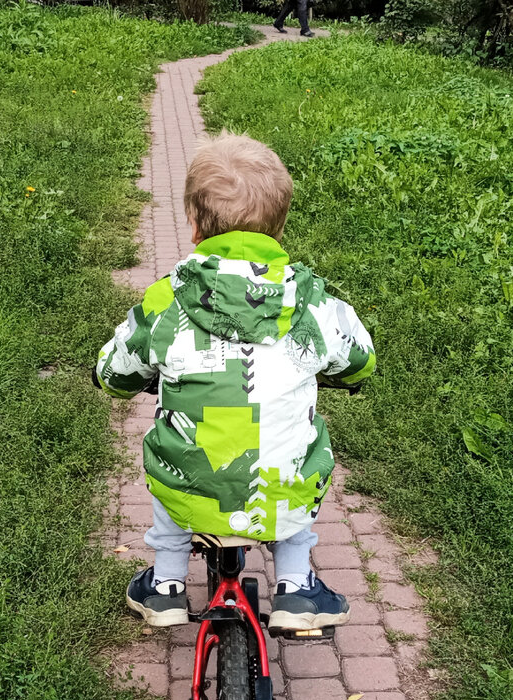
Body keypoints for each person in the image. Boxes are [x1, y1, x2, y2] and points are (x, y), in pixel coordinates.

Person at [95, 132, 375, 632]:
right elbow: (359, 359)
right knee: (298, 453)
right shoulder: (312, 303)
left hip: (192, 485)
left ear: (195, 224)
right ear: (279, 227)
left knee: (170, 454)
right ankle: (295, 587)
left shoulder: (167, 302)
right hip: (278, 488)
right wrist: (339, 372)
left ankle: (165, 586)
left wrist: (114, 380)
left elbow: (116, 371)